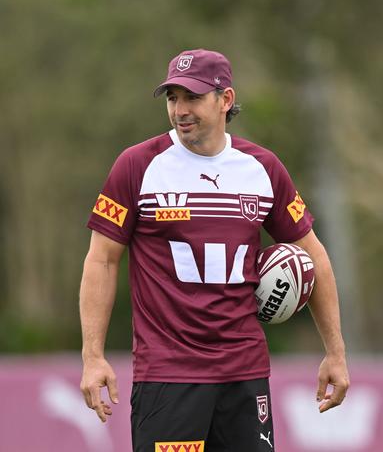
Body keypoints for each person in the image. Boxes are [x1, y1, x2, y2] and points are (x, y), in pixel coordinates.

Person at [79, 48, 350, 451]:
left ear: (225, 100)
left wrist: (335, 352)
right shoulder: (137, 165)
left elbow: (315, 256)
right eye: (173, 98)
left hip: (244, 375)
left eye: (192, 97)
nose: (180, 110)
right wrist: (92, 355)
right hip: (169, 376)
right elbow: (101, 260)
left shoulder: (262, 168)